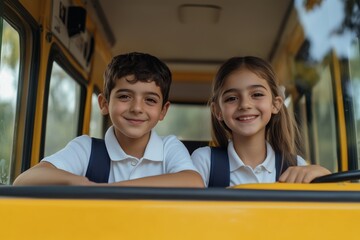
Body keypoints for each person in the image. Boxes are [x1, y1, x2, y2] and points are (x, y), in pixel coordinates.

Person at [14, 52, 204, 187]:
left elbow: (193, 182)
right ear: (104, 103)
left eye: (150, 100)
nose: (137, 108)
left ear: (163, 111)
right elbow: (24, 180)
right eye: (124, 97)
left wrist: (112, 189)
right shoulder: (87, 148)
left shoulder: (169, 147)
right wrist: (80, 182)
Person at [191, 56, 330, 187]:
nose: (245, 105)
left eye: (257, 94)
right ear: (218, 111)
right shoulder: (205, 161)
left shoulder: (295, 166)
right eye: (231, 98)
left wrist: (324, 175)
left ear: (275, 104)